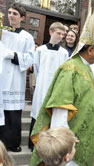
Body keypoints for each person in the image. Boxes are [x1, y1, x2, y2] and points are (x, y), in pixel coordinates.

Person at [30, 9, 94, 166]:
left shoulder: (86, 68)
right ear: (90, 50)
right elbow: (60, 106)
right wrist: (62, 141)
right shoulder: (70, 68)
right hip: (70, 143)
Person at [0, 2, 35, 152]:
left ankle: (12, 143)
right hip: (1, 77)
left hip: (14, 79)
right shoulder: (2, 33)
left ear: (22, 17)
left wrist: (12, 54)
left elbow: (30, 58)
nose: (11, 16)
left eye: (15, 14)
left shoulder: (27, 37)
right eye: (9, 13)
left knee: (12, 114)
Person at [29, 22, 69, 150]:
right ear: (51, 32)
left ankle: (49, 146)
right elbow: (36, 68)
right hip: (41, 86)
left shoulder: (64, 53)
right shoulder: (40, 50)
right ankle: (34, 144)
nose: (61, 36)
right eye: (58, 33)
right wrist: (41, 82)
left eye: (63, 34)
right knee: (38, 112)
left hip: (55, 88)